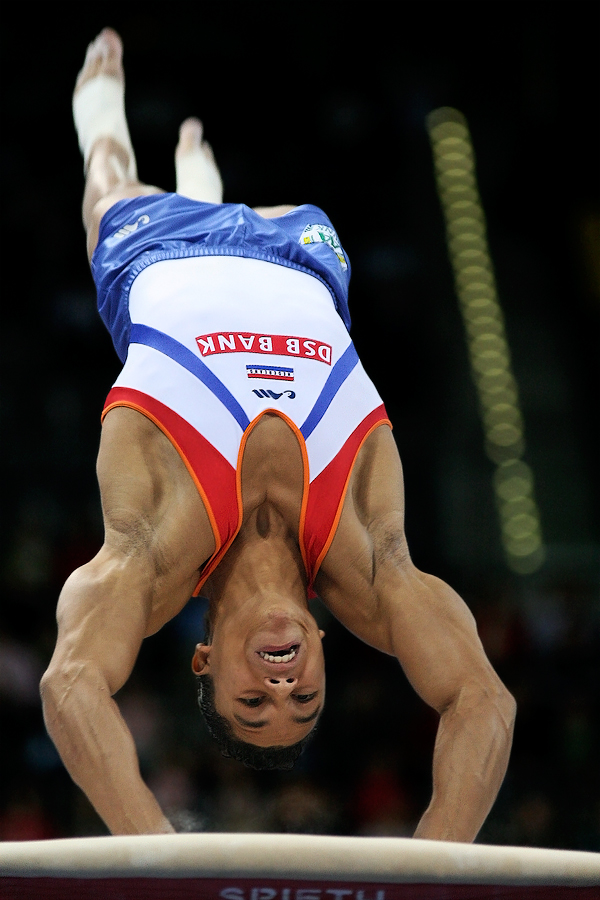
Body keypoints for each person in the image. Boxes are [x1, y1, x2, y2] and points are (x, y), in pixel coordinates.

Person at [40, 28, 516, 839]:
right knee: (186, 188)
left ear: (203, 662)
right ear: (330, 653)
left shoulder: (148, 556)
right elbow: (483, 701)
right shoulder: (373, 562)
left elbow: (71, 684)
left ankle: (101, 110)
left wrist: (153, 848)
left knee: (105, 188)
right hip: (299, 253)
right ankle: (202, 175)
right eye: (305, 699)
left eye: (253, 702)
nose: (283, 686)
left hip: (162, 251)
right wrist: (433, 872)